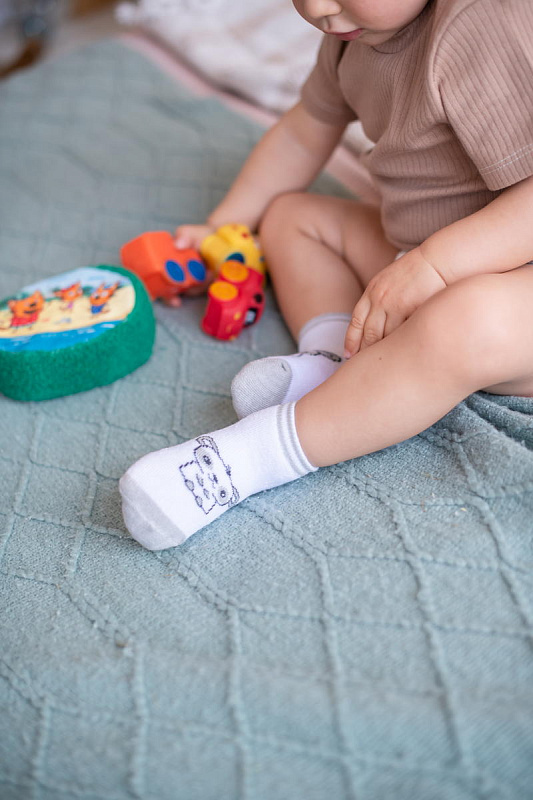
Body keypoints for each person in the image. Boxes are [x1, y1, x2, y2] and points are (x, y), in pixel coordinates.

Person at [120, 0, 533, 551]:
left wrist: (436, 266)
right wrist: (220, 229)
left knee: (466, 319)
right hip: (420, 255)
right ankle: (335, 361)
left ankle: (251, 457)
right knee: (289, 216)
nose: (318, 7)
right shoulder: (352, 35)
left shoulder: (483, 25)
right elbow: (304, 131)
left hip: (512, 287)